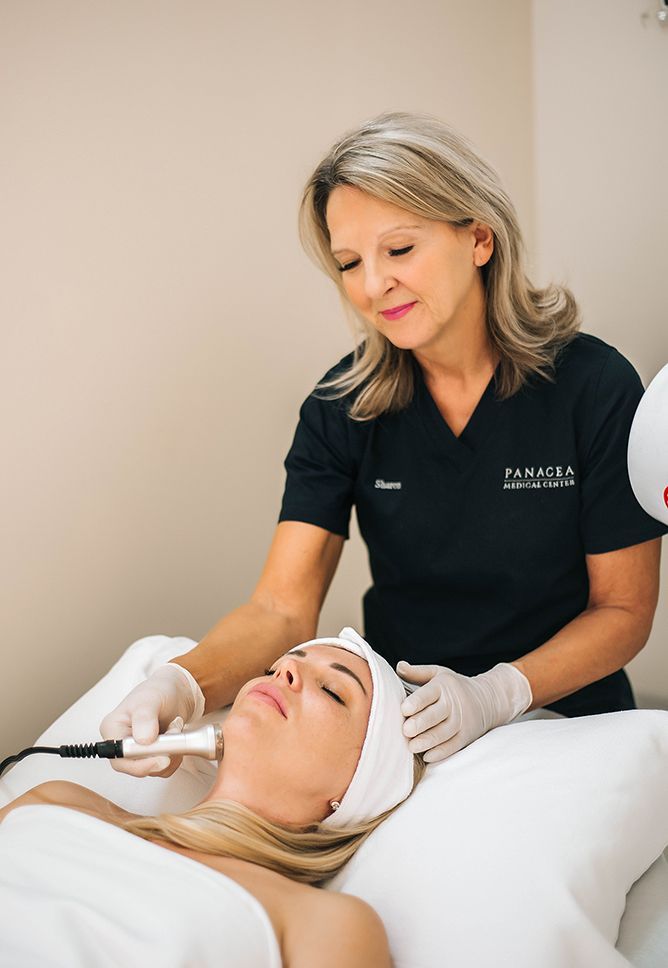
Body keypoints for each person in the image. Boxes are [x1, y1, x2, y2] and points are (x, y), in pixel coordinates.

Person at [101, 110, 667, 776]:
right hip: (400, 729)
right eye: (349, 262)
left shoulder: (592, 387)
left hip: (568, 722)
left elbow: (623, 608)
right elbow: (281, 608)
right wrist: (179, 683)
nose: (373, 285)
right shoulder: (342, 410)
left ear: (479, 238)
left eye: (399, 250)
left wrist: (499, 693)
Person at [0, 628, 426, 968]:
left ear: (352, 792)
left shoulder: (323, 924)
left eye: (333, 691)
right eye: (276, 666)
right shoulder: (58, 800)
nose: (283, 675)